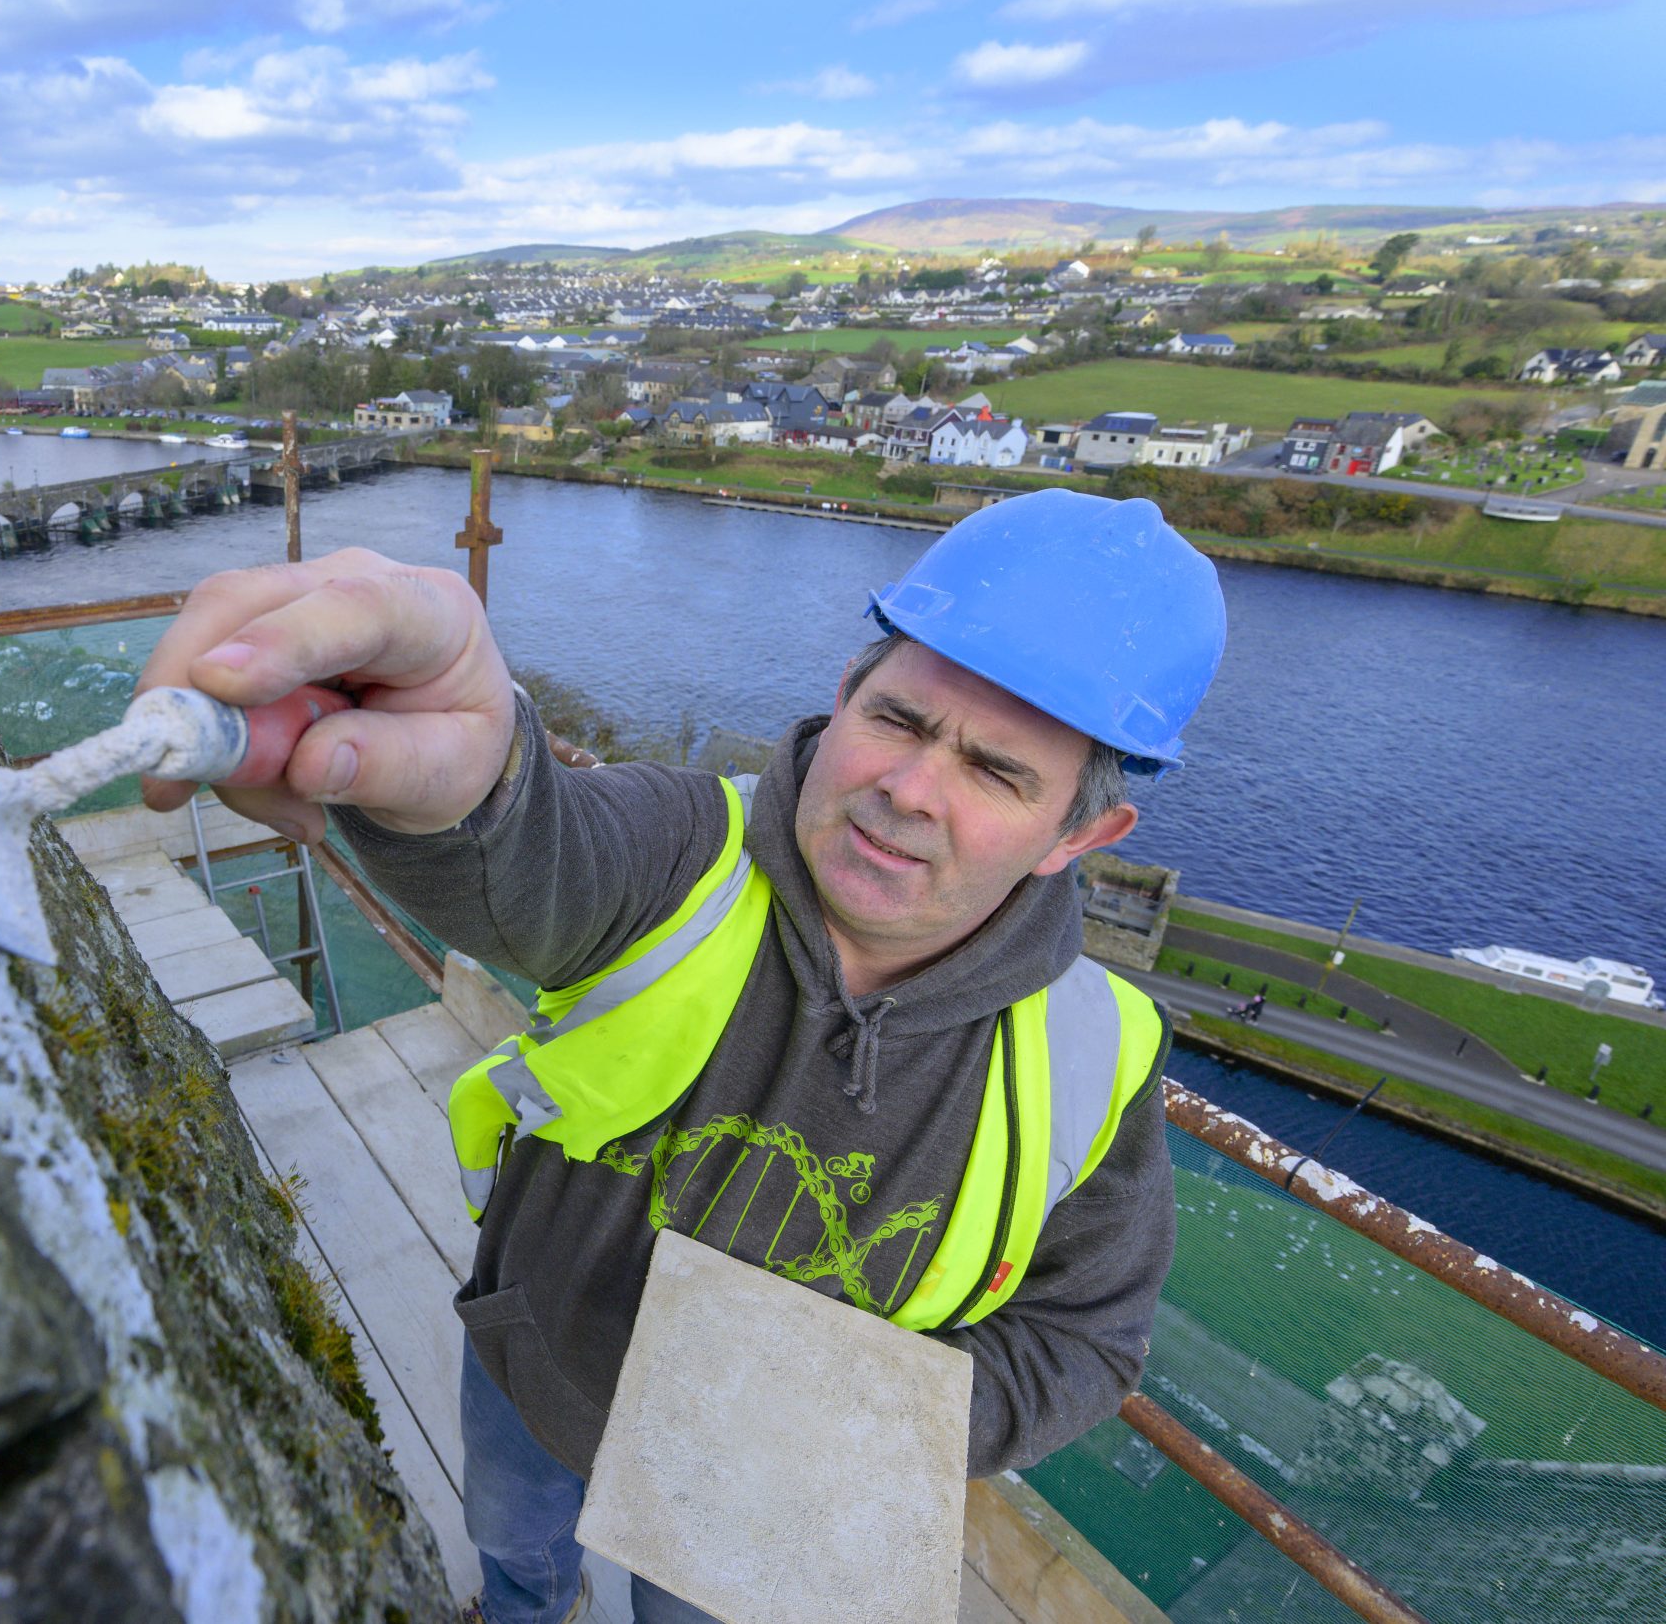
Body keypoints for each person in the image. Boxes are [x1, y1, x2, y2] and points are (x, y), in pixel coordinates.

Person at [136, 489, 1226, 1624]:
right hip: (538, 1365)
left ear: (1081, 835)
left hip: (756, 1493)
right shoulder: (684, 851)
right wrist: (468, 781)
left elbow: (1089, 1333)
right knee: (518, 1553)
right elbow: (532, 852)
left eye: (997, 771)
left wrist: (856, 1422)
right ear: (845, 693)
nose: (908, 789)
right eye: (898, 719)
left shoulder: (1096, 1053)